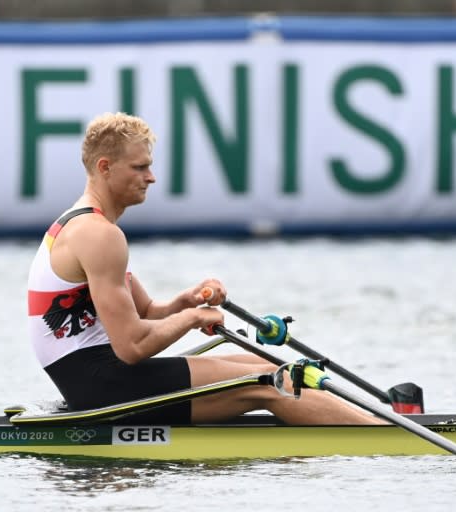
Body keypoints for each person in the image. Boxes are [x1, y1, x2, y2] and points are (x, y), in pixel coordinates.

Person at [27, 112, 383, 425]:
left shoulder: (83, 225)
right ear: (105, 167)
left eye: (149, 166)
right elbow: (132, 346)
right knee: (268, 380)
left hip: (97, 377)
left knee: (255, 360)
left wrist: (188, 301)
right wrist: (194, 319)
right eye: (140, 167)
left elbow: (148, 313)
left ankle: (368, 422)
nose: (151, 177)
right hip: (103, 385)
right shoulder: (99, 235)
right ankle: (384, 438)